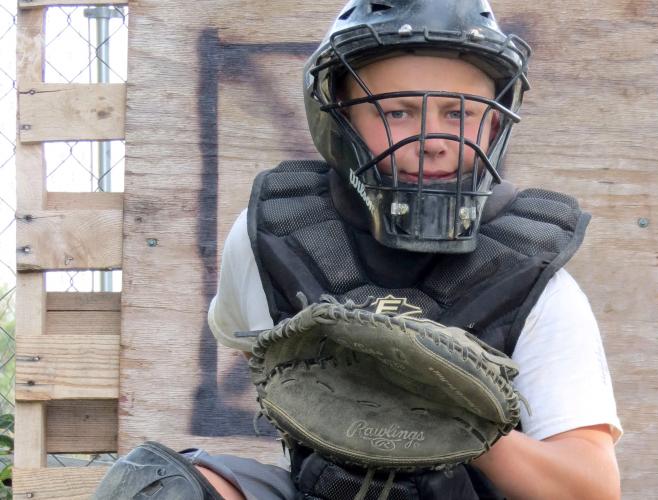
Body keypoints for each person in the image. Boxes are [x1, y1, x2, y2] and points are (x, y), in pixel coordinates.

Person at [95, 1, 623, 498]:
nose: (433, 138)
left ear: (494, 118)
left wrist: (451, 421)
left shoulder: (530, 266)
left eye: (457, 113)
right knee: (157, 486)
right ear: (337, 112)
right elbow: (250, 344)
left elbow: (591, 486)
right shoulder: (281, 232)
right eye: (396, 113)